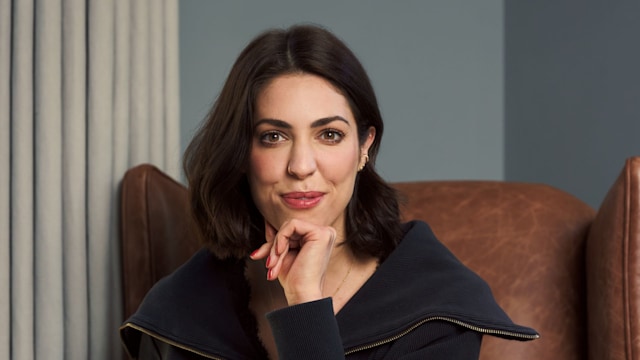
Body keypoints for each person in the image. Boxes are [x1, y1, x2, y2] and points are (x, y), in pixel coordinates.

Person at [120, 24, 539, 359]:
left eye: (330, 134)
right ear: (241, 154)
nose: (302, 165)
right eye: (273, 137)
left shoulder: (435, 309)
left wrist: (304, 304)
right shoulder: (183, 311)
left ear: (364, 147)